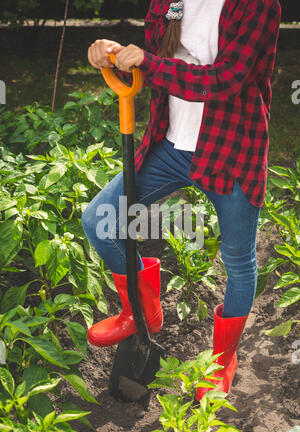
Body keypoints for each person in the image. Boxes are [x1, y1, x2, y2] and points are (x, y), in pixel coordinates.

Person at [83, 0, 281, 401]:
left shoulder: (260, 5)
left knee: (238, 261)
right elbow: (154, 59)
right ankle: (141, 311)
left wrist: (150, 65)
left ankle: (223, 360)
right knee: (99, 219)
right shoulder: (169, 1)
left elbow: (226, 79)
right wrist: (114, 54)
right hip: (171, 145)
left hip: (230, 151)